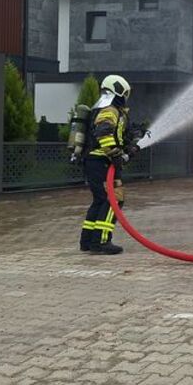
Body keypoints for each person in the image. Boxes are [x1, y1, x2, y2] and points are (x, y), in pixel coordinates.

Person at [80, 75, 134, 255]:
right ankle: (101, 241)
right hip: (102, 162)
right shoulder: (110, 109)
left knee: (100, 200)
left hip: (94, 162)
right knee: (114, 199)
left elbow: (113, 135)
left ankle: (87, 241)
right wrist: (116, 154)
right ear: (119, 91)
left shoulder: (101, 108)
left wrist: (129, 146)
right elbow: (104, 133)